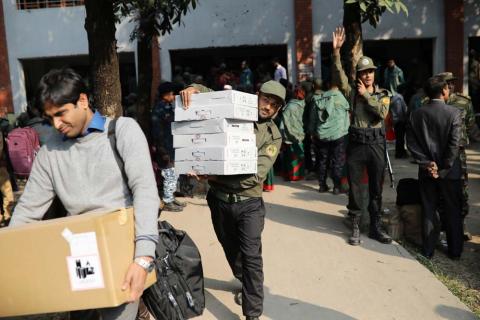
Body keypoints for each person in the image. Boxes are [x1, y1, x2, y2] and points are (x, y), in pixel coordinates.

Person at [9, 68, 160, 319]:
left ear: (82, 100)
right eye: (50, 118)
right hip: (76, 258)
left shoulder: (122, 131)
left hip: (123, 256)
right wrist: (11, 253)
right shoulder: (49, 154)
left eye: (61, 114)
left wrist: (143, 258)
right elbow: (28, 210)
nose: (56, 124)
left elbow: (145, 191)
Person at [180, 80, 284, 320]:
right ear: (257, 95)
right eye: (267, 99)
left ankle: (252, 312)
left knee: (251, 257)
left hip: (249, 203)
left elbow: (255, 176)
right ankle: (244, 280)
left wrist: (214, 174)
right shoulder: (235, 109)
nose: (268, 106)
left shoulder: (272, 136)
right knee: (230, 248)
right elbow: (214, 98)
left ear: (278, 110)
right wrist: (195, 89)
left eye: (275, 104)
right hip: (218, 200)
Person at [332, 27, 392, 246]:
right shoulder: (351, 94)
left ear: (374, 74)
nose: (367, 75)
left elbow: (382, 114)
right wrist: (337, 53)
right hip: (357, 143)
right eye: (363, 72)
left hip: (376, 143)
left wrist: (366, 95)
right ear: (358, 75)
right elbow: (339, 78)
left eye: (370, 72)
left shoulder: (383, 95)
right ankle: (356, 226)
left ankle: (375, 226)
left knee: (376, 187)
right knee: (355, 188)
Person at [406, 76, 463, 259]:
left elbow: (411, 144)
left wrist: (426, 163)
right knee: (452, 210)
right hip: (450, 172)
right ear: (444, 91)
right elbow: (454, 145)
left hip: (426, 171)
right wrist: (443, 167)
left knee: (428, 209)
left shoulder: (417, 114)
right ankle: (455, 251)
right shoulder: (454, 113)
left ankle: (428, 250)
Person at [435, 72, 475, 239]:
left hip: (458, 152)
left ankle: (461, 222)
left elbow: (470, 124)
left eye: (452, 82)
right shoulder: (430, 101)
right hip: (437, 151)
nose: (450, 86)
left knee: (461, 187)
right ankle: (439, 222)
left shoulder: (464, 102)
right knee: (437, 187)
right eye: (447, 83)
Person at [309, 82, 350, 194]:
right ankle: (336, 187)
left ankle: (322, 185)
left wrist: (312, 132)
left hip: (321, 135)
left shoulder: (318, 99)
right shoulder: (342, 99)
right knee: (337, 161)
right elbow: (347, 117)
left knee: (322, 160)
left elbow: (313, 119)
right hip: (338, 135)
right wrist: (344, 130)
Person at [151, 81, 186, 212]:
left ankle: (171, 197)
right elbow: (157, 131)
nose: (173, 96)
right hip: (164, 147)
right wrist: (162, 150)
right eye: (171, 94)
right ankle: (167, 200)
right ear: (165, 95)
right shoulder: (159, 109)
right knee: (169, 173)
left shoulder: (168, 107)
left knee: (174, 173)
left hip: (171, 145)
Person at [279, 85, 306, 181]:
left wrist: (283, 135)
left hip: (290, 136)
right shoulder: (303, 105)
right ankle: (298, 175)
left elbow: (284, 123)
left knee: (290, 157)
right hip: (300, 134)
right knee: (299, 156)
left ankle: (292, 176)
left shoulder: (289, 107)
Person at [389, 84, 409, 158]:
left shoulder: (396, 97)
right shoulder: (399, 98)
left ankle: (400, 152)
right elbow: (399, 111)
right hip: (399, 121)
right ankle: (400, 153)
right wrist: (403, 119)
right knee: (400, 138)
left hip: (397, 120)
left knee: (399, 138)